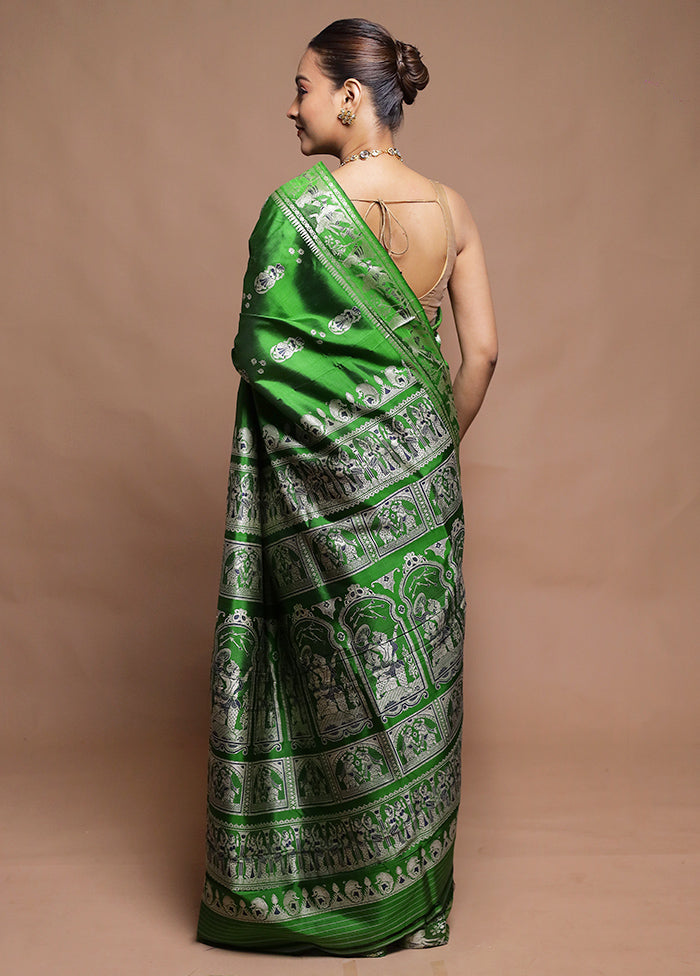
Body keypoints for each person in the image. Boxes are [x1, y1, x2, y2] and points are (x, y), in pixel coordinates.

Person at [196, 17, 498, 957]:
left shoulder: (296, 210)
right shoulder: (451, 209)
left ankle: (323, 901)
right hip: (424, 484)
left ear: (352, 96)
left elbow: (264, 355)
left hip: (319, 493)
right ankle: (411, 908)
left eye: (303, 88)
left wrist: (346, 454)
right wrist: (422, 453)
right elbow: (483, 353)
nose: (292, 107)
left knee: (332, 678)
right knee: (413, 679)